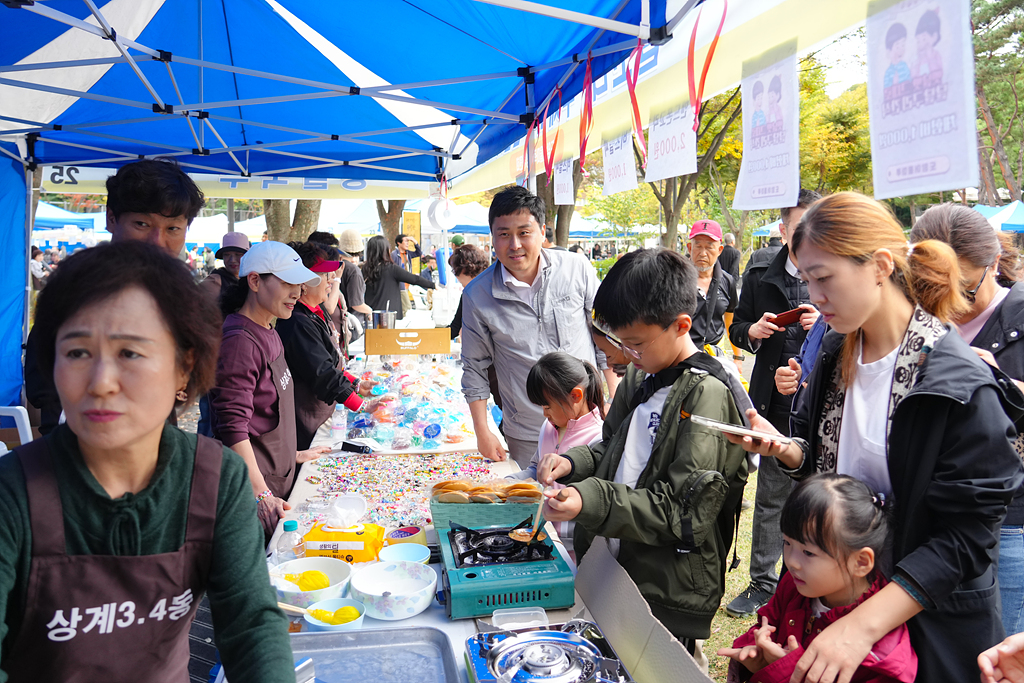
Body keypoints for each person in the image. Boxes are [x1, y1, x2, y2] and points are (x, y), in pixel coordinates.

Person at [730, 192, 1024, 683]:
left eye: (824, 279)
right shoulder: (835, 352)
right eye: (806, 281)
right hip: (833, 606)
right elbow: (835, 474)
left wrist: (863, 625)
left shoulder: (957, 381)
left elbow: (965, 537)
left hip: (925, 629)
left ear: (880, 265)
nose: (813, 297)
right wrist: (788, 449)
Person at [2, 240, 292, 681]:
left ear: (183, 369)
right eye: (77, 352)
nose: (101, 383)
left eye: (130, 354)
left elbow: (251, 625)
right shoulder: (12, 494)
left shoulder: (216, 480)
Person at [537, 248, 748, 655]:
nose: (623, 356)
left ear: (680, 325)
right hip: (618, 564)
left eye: (634, 343)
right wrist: (573, 462)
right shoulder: (641, 376)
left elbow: (682, 512)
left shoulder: (707, 395)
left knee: (660, 664)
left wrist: (590, 498)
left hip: (666, 586)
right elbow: (612, 448)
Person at [26, 159, 205, 436]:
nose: (157, 241)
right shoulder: (76, 288)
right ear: (111, 218)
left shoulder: (179, 295)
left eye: (172, 229)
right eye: (142, 224)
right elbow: (43, 381)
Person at [911, 203, 1024, 637]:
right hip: (927, 514)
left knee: (997, 648)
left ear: (995, 261)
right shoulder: (912, 319)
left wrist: (999, 381)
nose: (950, 300)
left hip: (1010, 519)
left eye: (965, 286)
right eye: (932, 285)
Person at [460, 185, 614, 467]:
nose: (514, 244)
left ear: (542, 232)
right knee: (536, 500)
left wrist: (612, 399)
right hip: (529, 430)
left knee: (590, 501)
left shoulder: (576, 268)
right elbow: (474, 367)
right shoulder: (476, 295)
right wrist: (483, 431)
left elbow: (604, 335)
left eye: (524, 232)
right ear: (492, 238)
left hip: (592, 422)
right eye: (504, 234)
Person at [719, 474, 917, 683]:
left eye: (808, 552)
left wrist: (790, 670)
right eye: (787, 543)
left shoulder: (882, 649)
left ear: (860, 562)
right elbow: (766, 622)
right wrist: (756, 651)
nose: (792, 562)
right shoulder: (793, 585)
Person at [726, 188, 821, 619]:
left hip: (818, 404)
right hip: (770, 400)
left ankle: (801, 585)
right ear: (782, 229)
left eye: (811, 226)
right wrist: (754, 332)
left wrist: (823, 326)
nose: (802, 236)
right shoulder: (761, 267)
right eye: (795, 227)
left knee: (816, 502)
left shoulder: (833, 270)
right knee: (769, 498)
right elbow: (737, 326)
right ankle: (763, 584)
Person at [209, 241, 330, 535]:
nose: (297, 293)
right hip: (255, 496)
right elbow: (233, 427)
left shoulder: (269, 329)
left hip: (280, 480)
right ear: (254, 281)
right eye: (288, 282)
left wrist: (294, 455)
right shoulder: (239, 341)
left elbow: (268, 413)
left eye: (300, 285)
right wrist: (261, 494)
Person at [276, 241, 374, 450]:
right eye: (325, 276)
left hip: (323, 414)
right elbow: (322, 373)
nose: (331, 282)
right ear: (304, 281)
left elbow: (330, 363)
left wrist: (356, 385)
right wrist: (361, 406)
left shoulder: (315, 314)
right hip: (307, 420)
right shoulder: (297, 322)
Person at [686, 220, 738, 358]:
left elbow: (730, 322)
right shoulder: (675, 279)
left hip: (715, 355)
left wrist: (738, 357)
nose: (703, 253)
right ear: (690, 248)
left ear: (719, 250)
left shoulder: (727, 282)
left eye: (709, 247)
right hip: (681, 355)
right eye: (698, 246)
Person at [362, 235, 434, 321]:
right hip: (389, 316)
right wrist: (433, 285)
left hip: (370, 314)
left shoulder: (365, 268)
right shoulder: (391, 268)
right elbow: (415, 279)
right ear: (385, 250)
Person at [448, 244, 490, 340]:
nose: (455, 275)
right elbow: (455, 327)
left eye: (455, 270)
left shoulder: (493, 292)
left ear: (465, 268)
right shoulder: (467, 294)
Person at [199, 232, 250, 304]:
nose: (232, 260)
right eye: (227, 255)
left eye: (238, 254)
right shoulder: (214, 281)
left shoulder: (253, 278)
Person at [338, 229, 373, 328]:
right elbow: (356, 304)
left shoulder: (336, 265)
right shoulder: (354, 271)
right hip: (352, 325)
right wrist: (369, 311)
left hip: (338, 322)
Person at [391, 233, 422, 316]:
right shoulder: (394, 255)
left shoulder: (407, 254)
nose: (408, 243)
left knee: (404, 309)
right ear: (399, 243)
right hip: (400, 285)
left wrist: (414, 241)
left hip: (407, 284)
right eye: (406, 241)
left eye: (408, 241)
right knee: (407, 308)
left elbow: (419, 253)